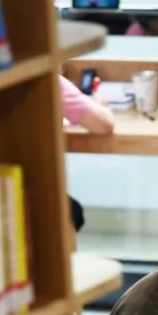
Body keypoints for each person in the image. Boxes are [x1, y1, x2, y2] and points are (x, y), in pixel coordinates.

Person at [61, 74, 114, 230]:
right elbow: (104, 124)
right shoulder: (54, 83)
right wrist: (100, 104)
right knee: (74, 212)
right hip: (37, 194)